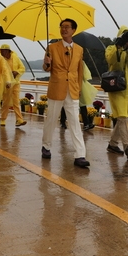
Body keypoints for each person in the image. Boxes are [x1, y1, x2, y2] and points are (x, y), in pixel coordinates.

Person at [41, 18, 90, 168]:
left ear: (73, 30)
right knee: (51, 119)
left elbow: (79, 71)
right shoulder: (52, 47)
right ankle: (46, 146)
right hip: (57, 87)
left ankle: (80, 155)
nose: (64, 29)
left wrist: (80, 88)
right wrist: (47, 62)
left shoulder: (80, 49)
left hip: (73, 89)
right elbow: (46, 68)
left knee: (75, 121)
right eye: (62, 27)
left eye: (67, 27)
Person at [105, 26, 128, 159]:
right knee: (122, 116)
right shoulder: (112, 48)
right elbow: (111, 61)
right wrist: (118, 46)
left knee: (123, 117)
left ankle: (113, 144)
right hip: (116, 88)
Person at [0, 44, 27, 128]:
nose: (2, 52)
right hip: (7, 84)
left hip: (16, 83)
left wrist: (17, 72)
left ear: (8, 51)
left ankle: (19, 119)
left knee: (16, 102)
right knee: (6, 102)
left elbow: (22, 68)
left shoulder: (15, 58)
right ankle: (3, 119)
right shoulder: (1, 59)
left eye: (4, 50)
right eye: (1, 51)